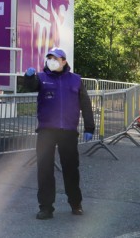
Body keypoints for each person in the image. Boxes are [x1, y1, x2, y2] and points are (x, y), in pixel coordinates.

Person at [24, 47, 94, 220]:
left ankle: (76, 203)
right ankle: (46, 208)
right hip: (46, 131)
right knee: (45, 170)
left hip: (68, 131)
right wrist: (28, 77)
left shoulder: (75, 80)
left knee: (71, 169)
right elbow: (30, 87)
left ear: (64, 61)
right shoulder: (41, 78)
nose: (51, 61)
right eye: (49, 58)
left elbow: (85, 103)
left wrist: (89, 127)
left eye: (55, 58)